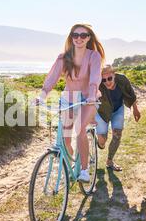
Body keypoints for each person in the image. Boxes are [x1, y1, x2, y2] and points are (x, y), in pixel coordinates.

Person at [35, 24, 105, 183]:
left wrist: (93, 96)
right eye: (75, 35)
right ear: (71, 37)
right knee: (65, 139)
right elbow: (52, 78)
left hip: (89, 99)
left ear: (89, 38)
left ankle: (85, 170)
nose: (79, 38)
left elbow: (95, 78)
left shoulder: (94, 56)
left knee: (80, 129)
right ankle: (72, 164)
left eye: (83, 35)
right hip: (68, 99)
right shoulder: (63, 57)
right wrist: (42, 96)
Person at [94, 64, 141, 171]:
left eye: (109, 78)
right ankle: (100, 143)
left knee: (117, 134)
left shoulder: (122, 80)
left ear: (114, 75)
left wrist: (135, 109)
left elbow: (131, 94)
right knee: (102, 141)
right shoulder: (98, 84)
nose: (107, 82)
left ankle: (109, 161)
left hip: (118, 109)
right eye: (104, 80)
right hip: (102, 112)